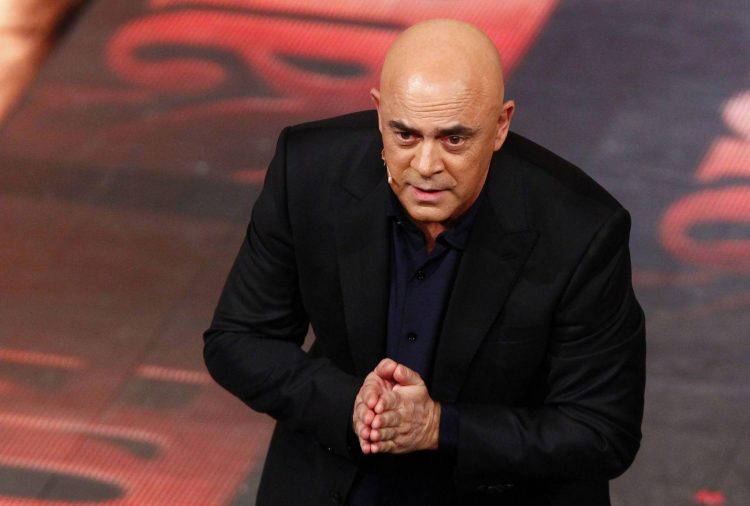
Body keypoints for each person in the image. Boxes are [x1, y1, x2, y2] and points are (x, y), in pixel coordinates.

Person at [204, 19, 646, 506]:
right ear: (379, 113)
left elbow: (602, 431)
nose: (426, 166)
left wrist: (439, 427)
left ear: (501, 125)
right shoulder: (309, 171)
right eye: (405, 135)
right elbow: (239, 338)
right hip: (331, 480)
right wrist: (349, 404)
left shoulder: (581, 230)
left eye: (454, 139)